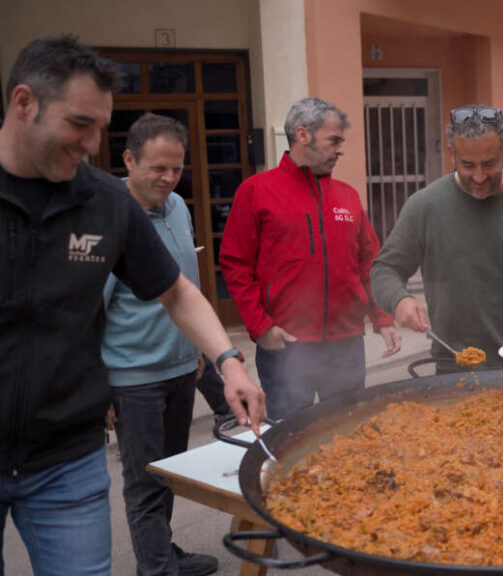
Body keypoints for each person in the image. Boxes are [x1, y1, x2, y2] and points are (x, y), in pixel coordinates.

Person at [0, 36, 264, 576]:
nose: (93, 144)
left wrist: (227, 360)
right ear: (24, 103)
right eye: (80, 124)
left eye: (101, 126)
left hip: (66, 457)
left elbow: (175, 289)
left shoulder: (105, 201)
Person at [220, 97, 400, 420]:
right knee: (292, 438)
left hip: (345, 345)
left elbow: (368, 263)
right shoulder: (256, 191)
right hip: (286, 346)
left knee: (347, 433)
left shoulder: (347, 195)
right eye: (334, 141)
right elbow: (235, 264)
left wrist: (382, 317)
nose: (340, 150)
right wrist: (262, 327)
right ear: (302, 135)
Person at [101, 113, 217, 576]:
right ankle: (155, 568)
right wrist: (101, 386)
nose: (169, 179)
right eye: (158, 169)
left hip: (180, 367)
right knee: (145, 481)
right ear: (129, 160)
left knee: (168, 472)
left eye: (177, 168)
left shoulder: (178, 207)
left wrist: (197, 351)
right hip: (133, 378)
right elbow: (90, 312)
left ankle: (163, 552)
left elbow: (185, 285)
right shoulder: (108, 216)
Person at [371, 105, 503, 369]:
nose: (478, 176)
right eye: (467, 165)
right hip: (454, 363)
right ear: (452, 152)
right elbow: (385, 269)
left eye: (489, 163)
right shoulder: (425, 206)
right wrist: (399, 299)